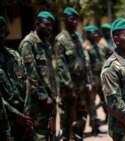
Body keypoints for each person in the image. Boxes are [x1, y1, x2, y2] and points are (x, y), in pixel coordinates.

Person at [18, 11, 57, 141]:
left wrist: (53, 95)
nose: (49, 28)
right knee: (39, 134)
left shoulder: (46, 43)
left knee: (49, 133)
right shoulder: (28, 44)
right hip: (37, 101)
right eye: (46, 24)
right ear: (37, 23)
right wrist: (44, 97)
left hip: (49, 98)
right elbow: (31, 75)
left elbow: (49, 72)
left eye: (51, 25)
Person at [54, 7, 91, 140]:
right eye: (72, 19)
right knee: (67, 118)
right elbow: (61, 66)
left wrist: (87, 82)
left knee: (83, 114)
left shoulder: (77, 38)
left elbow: (83, 62)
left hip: (81, 86)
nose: (75, 22)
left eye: (76, 19)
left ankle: (78, 137)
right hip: (68, 88)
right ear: (65, 20)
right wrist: (70, 88)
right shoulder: (61, 39)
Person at [0, 16, 33, 141]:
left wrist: (26, 112)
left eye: (3, 31)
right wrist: (16, 115)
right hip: (6, 122)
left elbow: (27, 83)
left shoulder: (14, 55)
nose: (1, 35)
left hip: (24, 117)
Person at [82, 25, 107, 134]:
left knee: (106, 100)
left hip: (102, 79)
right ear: (87, 34)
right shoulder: (86, 47)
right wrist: (89, 81)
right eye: (92, 33)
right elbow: (87, 66)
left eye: (96, 33)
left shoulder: (99, 46)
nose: (95, 35)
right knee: (91, 104)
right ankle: (95, 126)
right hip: (92, 81)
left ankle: (109, 120)